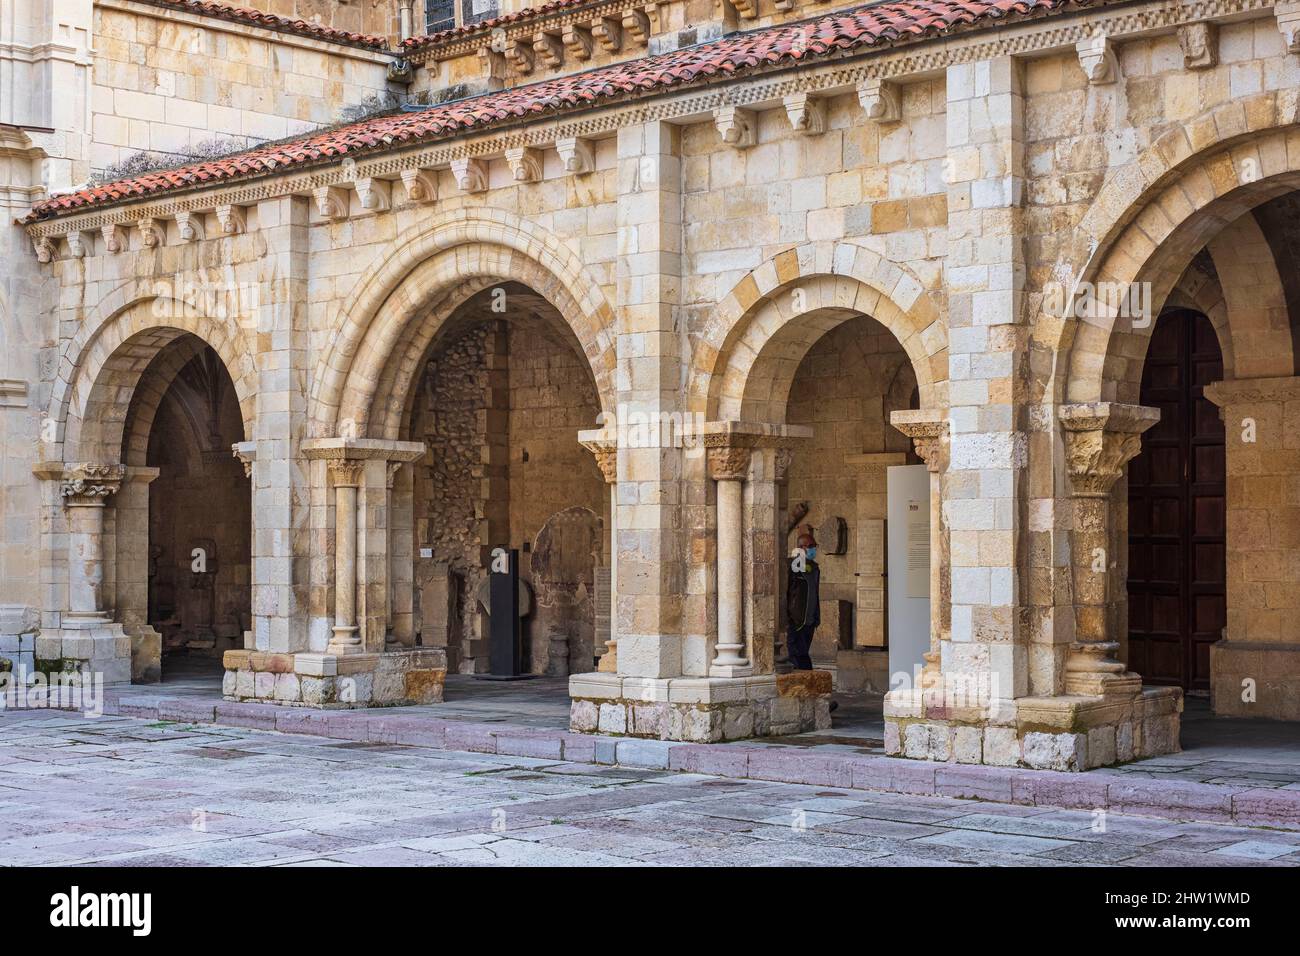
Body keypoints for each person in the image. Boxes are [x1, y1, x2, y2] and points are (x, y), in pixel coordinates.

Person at [786, 525, 820, 671]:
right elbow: (787, 592)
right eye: (811, 546)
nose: (814, 549)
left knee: (804, 652)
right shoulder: (793, 567)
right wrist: (791, 616)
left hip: (810, 620)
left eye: (814, 546)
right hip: (797, 619)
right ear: (802, 548)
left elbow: (815, 592)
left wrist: (817, 616)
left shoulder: (814, 568)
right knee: (798, 655)